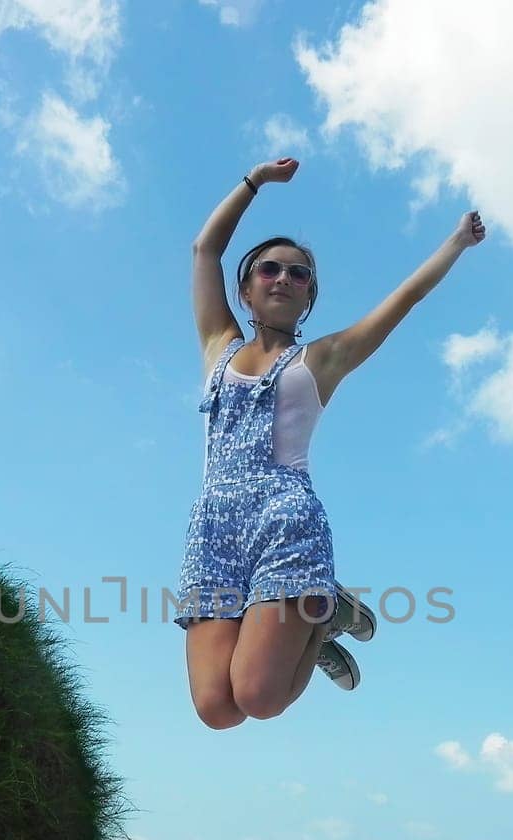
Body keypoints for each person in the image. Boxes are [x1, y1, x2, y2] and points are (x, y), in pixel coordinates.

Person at [175, 156, 485, 728]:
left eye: (298, 275)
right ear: (245, 290)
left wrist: (456, 243)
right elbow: (205, 251)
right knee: (216, 709)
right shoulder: (218, 345)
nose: (283, 279)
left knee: (259, 699)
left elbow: (407, 298)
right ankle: (323, 614)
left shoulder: (321, 359)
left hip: (284, 519)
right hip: (214, 528)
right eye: (269, 269)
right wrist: (255, 182)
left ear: (309, 295)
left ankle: (320, 615)